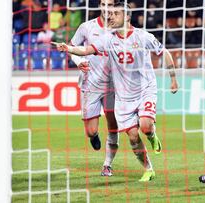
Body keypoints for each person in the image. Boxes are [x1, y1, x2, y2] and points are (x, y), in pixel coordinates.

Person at [53, 2, 179, 182]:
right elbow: (87, 49)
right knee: (133, 136)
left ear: (127, 17)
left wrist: (173, 78)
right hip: (123, 96)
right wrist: (70, 48)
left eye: (115, 13)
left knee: (145, 126)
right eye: (109, 13)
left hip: (145, 89)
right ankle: (148, 169)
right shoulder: (108, 39)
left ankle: (151, 135)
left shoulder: (142, 37)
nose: (110, 16)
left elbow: (164, 52)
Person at [67, 0, 119, 177]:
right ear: (99, 5)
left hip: (113, 85)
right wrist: (79, 61)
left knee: (113, 124)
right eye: (103, 3)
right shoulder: (86, 27)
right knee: (91, 131)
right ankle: (94, 136)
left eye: (110, 4)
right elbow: (71, 48)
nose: (106, 7)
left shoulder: (120, 27)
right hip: (90, 84)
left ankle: (107, 165)